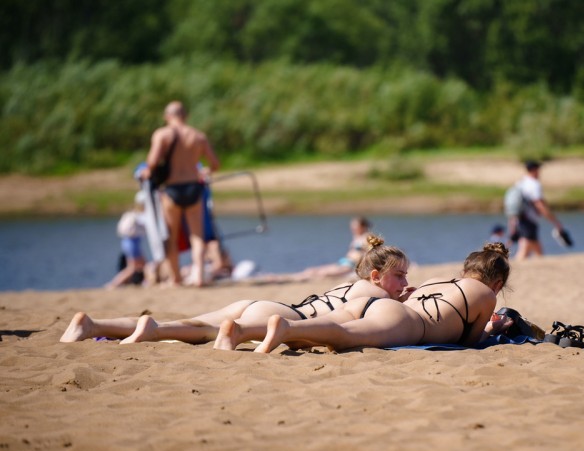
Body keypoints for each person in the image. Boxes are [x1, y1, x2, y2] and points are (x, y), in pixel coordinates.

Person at [60, 235, 412, 347]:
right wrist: (405, 304)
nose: (404, 284)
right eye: (399, 276)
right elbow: (351, 327)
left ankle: (93, 325)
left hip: (264, 303)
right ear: (376, 276)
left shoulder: (349, 284)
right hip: (283, 315)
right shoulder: (376, 294)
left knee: (193, 323)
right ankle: (152, 330)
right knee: (204, 332)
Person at [253, 242, 513, 354]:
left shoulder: (437, 280)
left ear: (465, 270)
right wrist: (492, 328)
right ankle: (287, 327)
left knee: (327, 327)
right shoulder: (485, 295)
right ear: (498, 284)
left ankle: (288, 331)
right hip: (404, 320)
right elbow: (469, 342)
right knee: (343, 336)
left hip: (375, 304)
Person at [140, 101, 220, 287]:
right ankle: (198, 275)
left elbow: (152, 161)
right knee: (197, 236)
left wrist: (148, 172)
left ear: (167, 116)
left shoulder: (162, 134)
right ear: (186, 116)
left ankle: (176, 278)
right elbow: (215, 164)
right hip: (193, 187)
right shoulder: (198, 136)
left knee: (172, 235)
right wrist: (205, 171)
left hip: (172, 189)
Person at [252, 217, 373, 283]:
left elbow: (371, 253)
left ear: (362, 226)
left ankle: (285, 279)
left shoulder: (366, 237)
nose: (352, 228)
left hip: (350, 266)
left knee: (322, 274)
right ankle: (283, 278)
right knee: (312, 270)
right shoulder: (356, 237)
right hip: (343, 262)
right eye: (352, 226)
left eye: (355, 226)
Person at [506, 160, 568, 259]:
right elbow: (539, 205)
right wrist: (555, 222)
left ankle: (541, 263)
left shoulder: (520, 183)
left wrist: (512, 226)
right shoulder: (534, 184)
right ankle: (515, 265)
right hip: (528, 220)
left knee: (536, 247)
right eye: (538, 170)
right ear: (535, 170)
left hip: (520, 219)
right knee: (525, 246)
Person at [105, 192, 147, 289]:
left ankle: (141, 282)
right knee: (133, 267)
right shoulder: (139, 215)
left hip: (127, 242)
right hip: (133, 243)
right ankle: (114, 284)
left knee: (140, 265)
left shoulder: (131, 213)